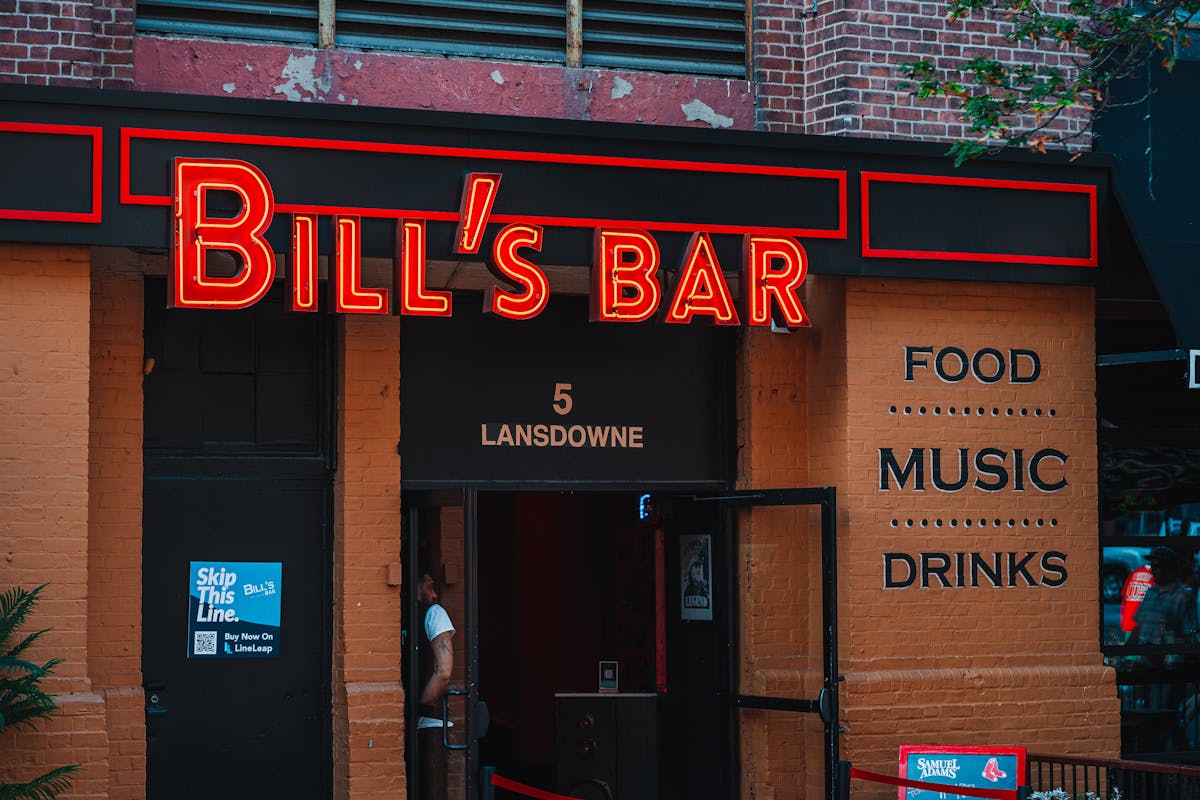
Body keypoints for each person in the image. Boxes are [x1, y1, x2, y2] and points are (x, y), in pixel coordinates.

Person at [416, 572, 455, 800]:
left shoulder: (404, 614)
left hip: (425, 721)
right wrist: (422, 705)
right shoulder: (434, 613)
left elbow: (443, 672)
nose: (435, 594)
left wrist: (417, 707)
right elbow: (444, 671)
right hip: (428, 721)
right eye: (430, 586)